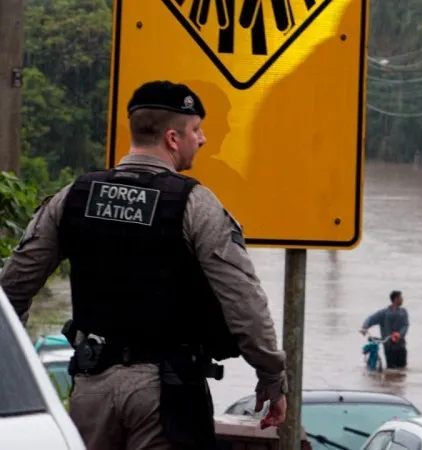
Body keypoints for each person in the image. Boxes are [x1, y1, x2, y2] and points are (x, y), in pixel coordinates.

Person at [0, 80, 287, 450]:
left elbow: (11, 290)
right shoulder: (195, 205)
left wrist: (14, 375)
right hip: (167, 397)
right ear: (172, 138)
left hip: (90, 392)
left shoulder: (73, 196)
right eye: (196, 130)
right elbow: (244, 303)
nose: (201, 140)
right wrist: (271, 377)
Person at [359, 290, 409, 369]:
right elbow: (371, 318)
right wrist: (364, 327)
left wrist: (400, 334)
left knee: (402, 369)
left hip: (401, 346)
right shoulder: (384, 313)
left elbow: (405, 325)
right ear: (395, 299)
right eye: (400, 297)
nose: (402, 299)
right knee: (391, 370)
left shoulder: (403, 312)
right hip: (388, 346)